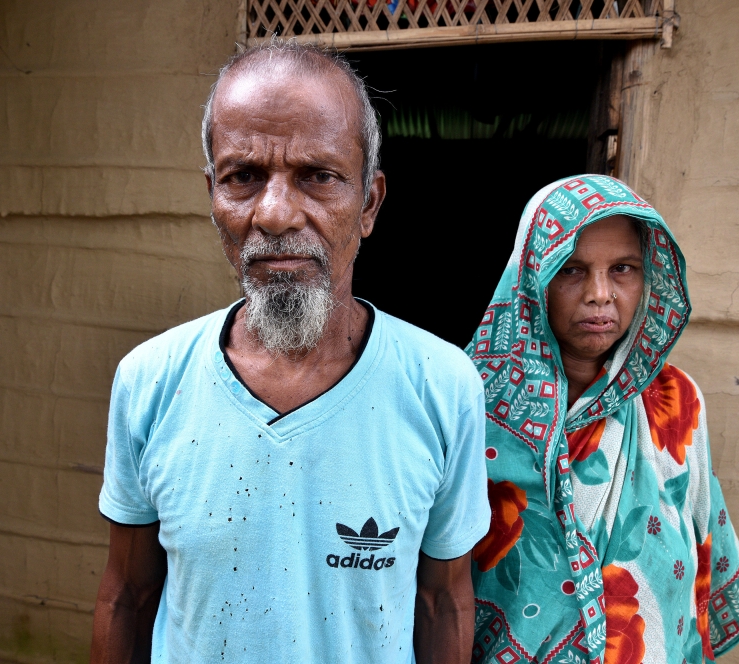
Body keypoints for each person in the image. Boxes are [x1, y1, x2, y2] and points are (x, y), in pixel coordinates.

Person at [90, 41, 490, 664]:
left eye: (318, 176)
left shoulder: (441, 386)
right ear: (213, 197)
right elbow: (128, 596)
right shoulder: (150, 381)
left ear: (369, 204)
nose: (274, 214)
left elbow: (443, 602)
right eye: (243, 177)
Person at [467, 176, 739, 664]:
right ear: (532, 276)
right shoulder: (469, 399)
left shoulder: (676, 400)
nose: (600, 294)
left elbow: (699, 538)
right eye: (571, 270)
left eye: (623, 269)